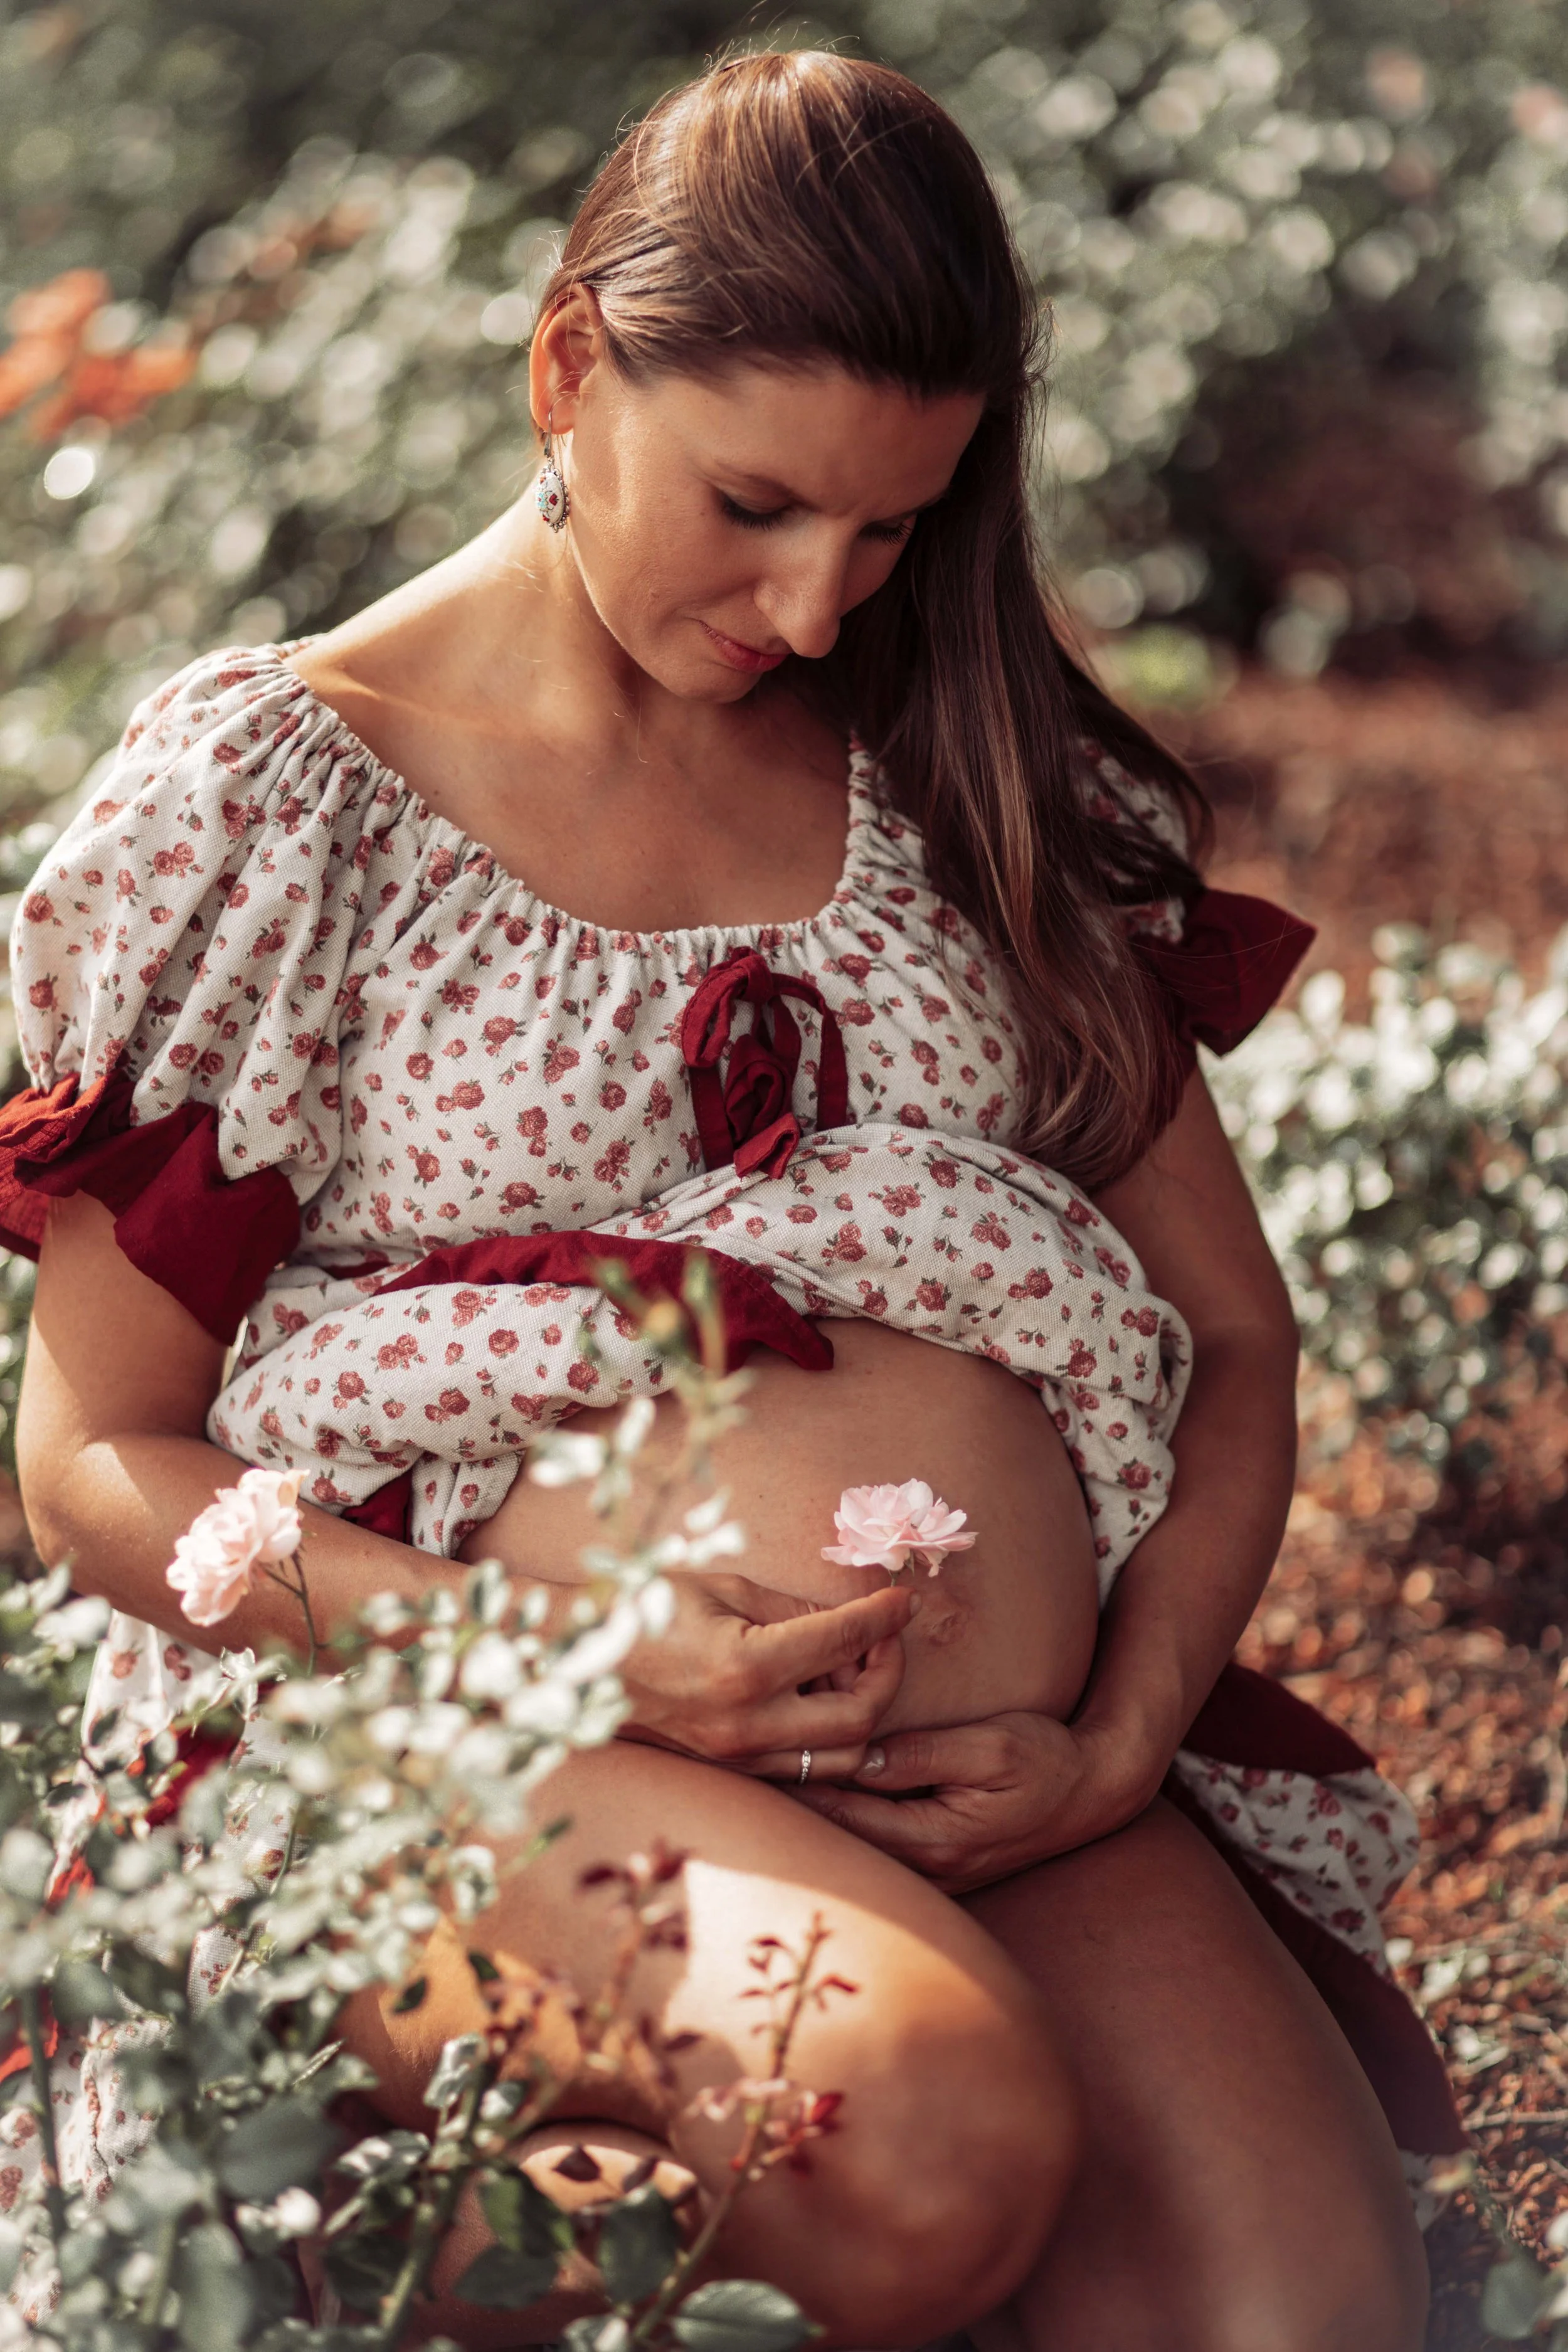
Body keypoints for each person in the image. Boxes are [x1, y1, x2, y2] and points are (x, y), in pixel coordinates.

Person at [2, 50, 1458, 2351]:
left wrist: (1113, 1725)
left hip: (997, 1773)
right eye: (755, 503)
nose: (812, 599)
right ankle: (302, 2243)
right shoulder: (289, 799)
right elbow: (95, 1464)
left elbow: (1241, 1338)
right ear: (568, 365)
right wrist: (572, 1656)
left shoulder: (958, 755)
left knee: (1304, 2317)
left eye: (889, 528)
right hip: (447, 1738)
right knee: (919, 2145)